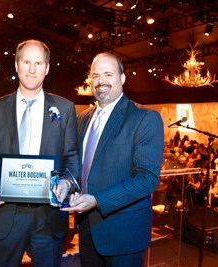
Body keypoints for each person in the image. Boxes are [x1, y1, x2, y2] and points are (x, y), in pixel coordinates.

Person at [0, 39, 79, 267]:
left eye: (38, 63)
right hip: (6, 215)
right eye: (26, 62)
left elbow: (71, 157)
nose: (32, 69)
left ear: (47, 68)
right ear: (16, 65)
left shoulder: (64, 109)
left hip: (49, 218)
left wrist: (65, 183)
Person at [62, 53, 164, 266]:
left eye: (108, 74)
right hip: (88, 230)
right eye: (96, 75)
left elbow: (147, 179)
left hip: (124, 234)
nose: (101, 81)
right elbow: (79, 164)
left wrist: (98, 200)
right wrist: (66, 182)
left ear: (122, 78)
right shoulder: (83, 118)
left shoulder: (144, 118)